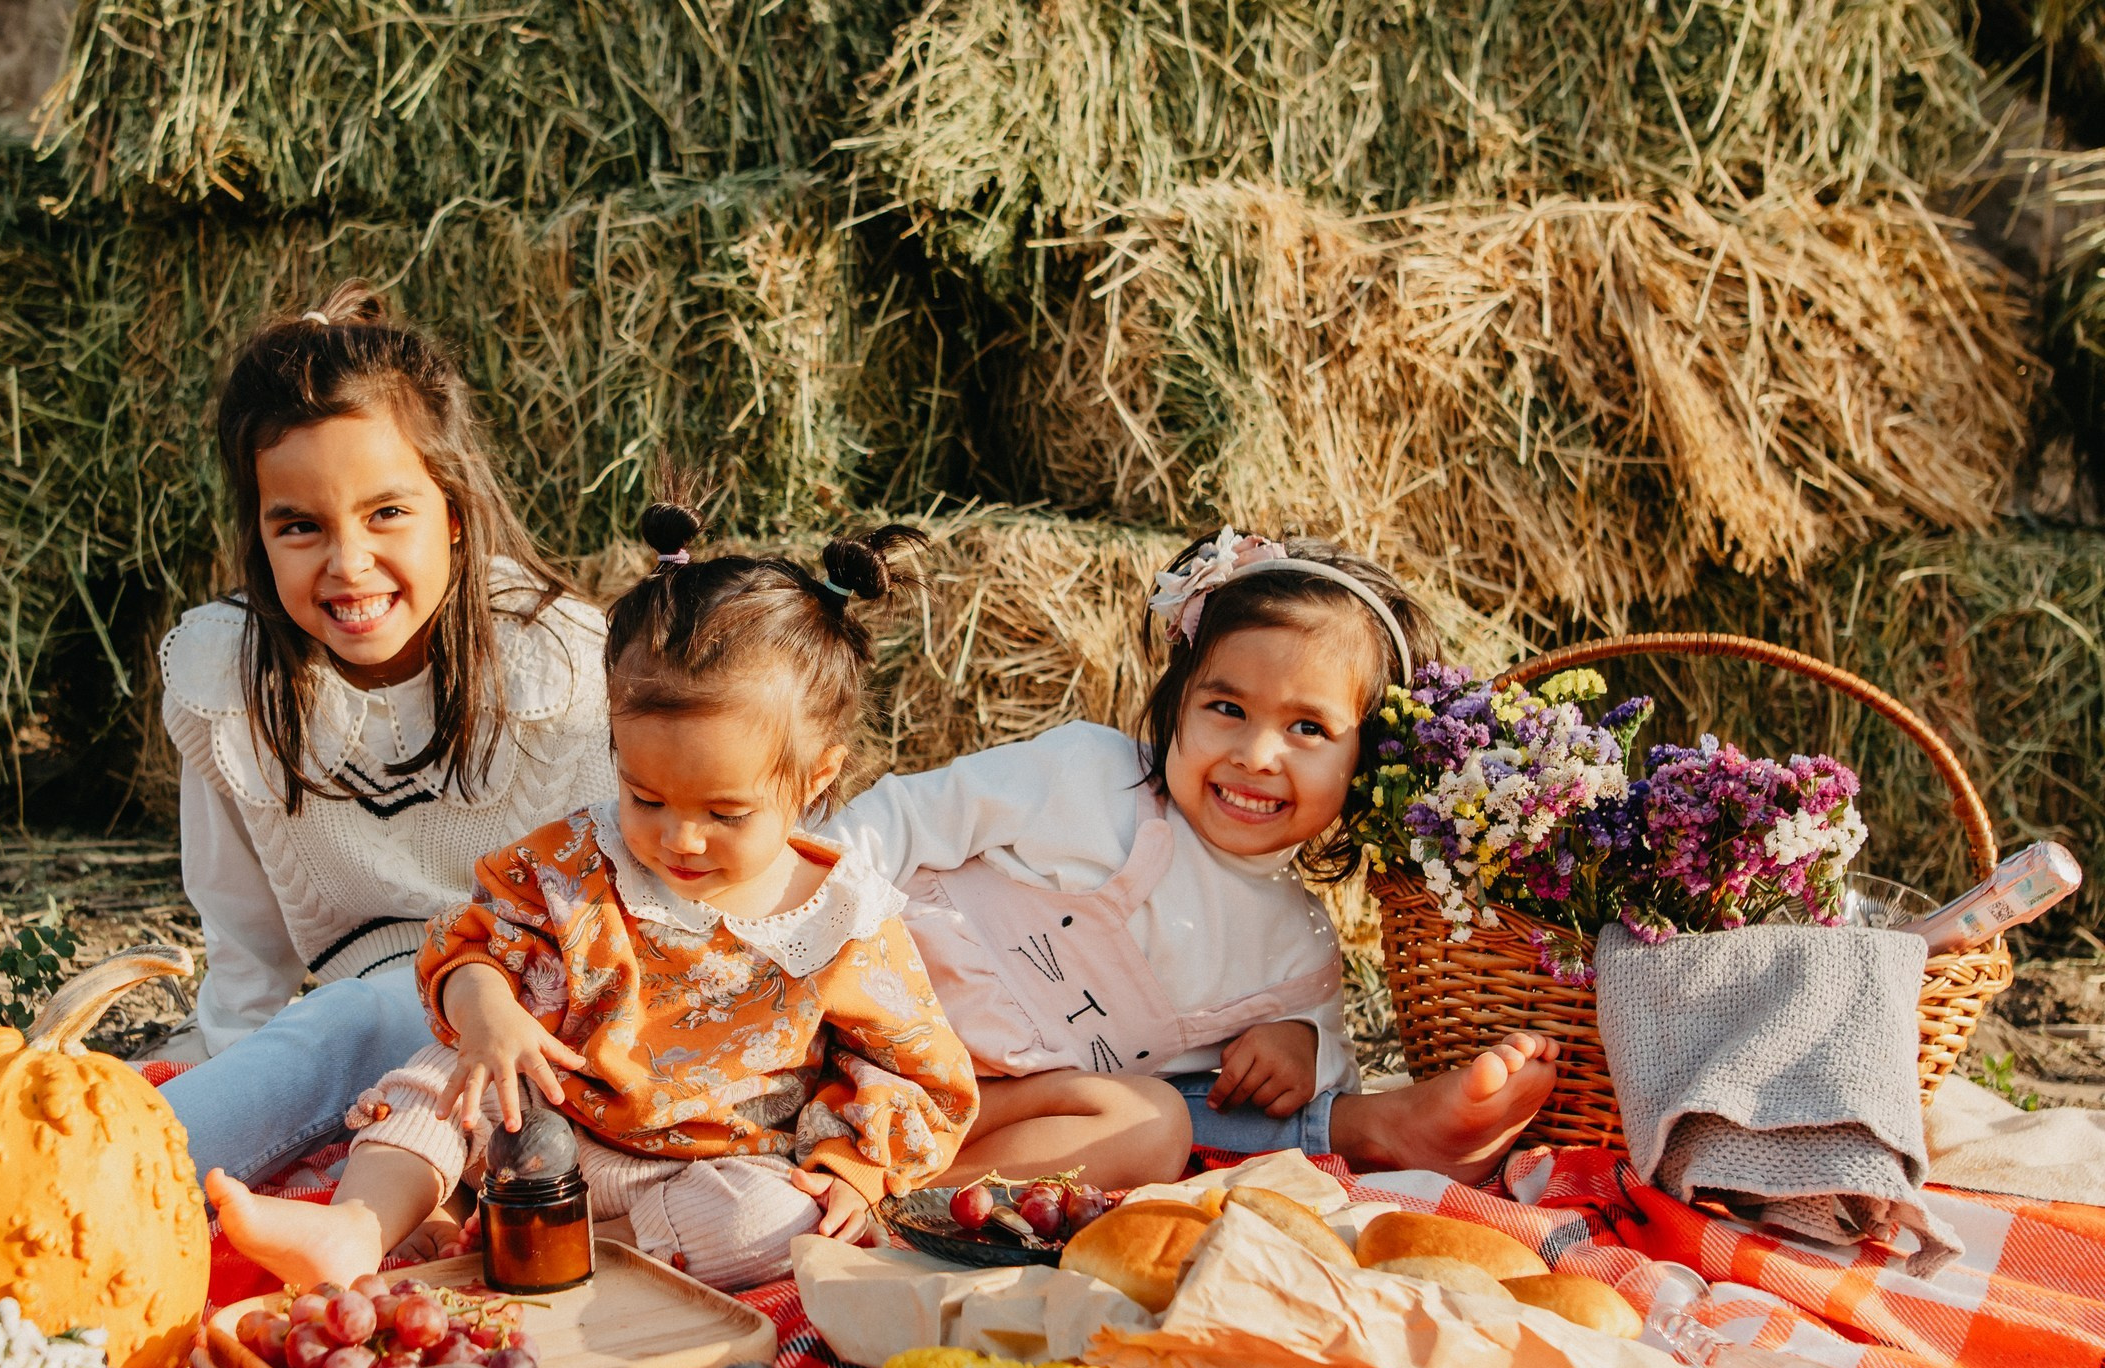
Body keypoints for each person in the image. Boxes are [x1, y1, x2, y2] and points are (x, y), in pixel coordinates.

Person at [205, 499, 981, 1290]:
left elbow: (916, 1071)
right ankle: (357, 1224)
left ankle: (545, 1245)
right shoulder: (579, 862)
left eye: (725, 813)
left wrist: (855, 1168)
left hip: (700, 1175)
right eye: (646, 796)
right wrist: (488, 1014)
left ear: (815, 778)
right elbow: (473, 944)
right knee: (450, 1068)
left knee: (783, 1222)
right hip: (543, 1120)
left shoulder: (844, 921)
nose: (679, 838)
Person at [831, 528, 1561, 1190]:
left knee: (1158, 1126)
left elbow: (1332, 1063)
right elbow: (903, 819)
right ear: (1178, 702)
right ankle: (1379, 1134)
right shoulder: (1088, 778)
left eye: (1308, 727)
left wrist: (1301, 1048)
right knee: (1164, 1118)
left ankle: (905, 1192)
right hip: (855, 1030)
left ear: (1363, 761)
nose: (1256, 755)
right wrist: (793, 915)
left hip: (983, 1114)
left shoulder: (1295, 944)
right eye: (1227, 709)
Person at [151, 282, 615, 1208]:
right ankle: (133, 1168)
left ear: (452, 509)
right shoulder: (226, 680)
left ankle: (126, 1175)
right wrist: (247, 1082)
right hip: (356, 1009)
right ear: (258, 534)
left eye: (386, 513)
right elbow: (242, 934)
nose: (348, 561)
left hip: (542, 1019)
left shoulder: (550, 659)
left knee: (354, 1028)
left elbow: (616, 889)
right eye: (300, 526)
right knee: (332, 1029)